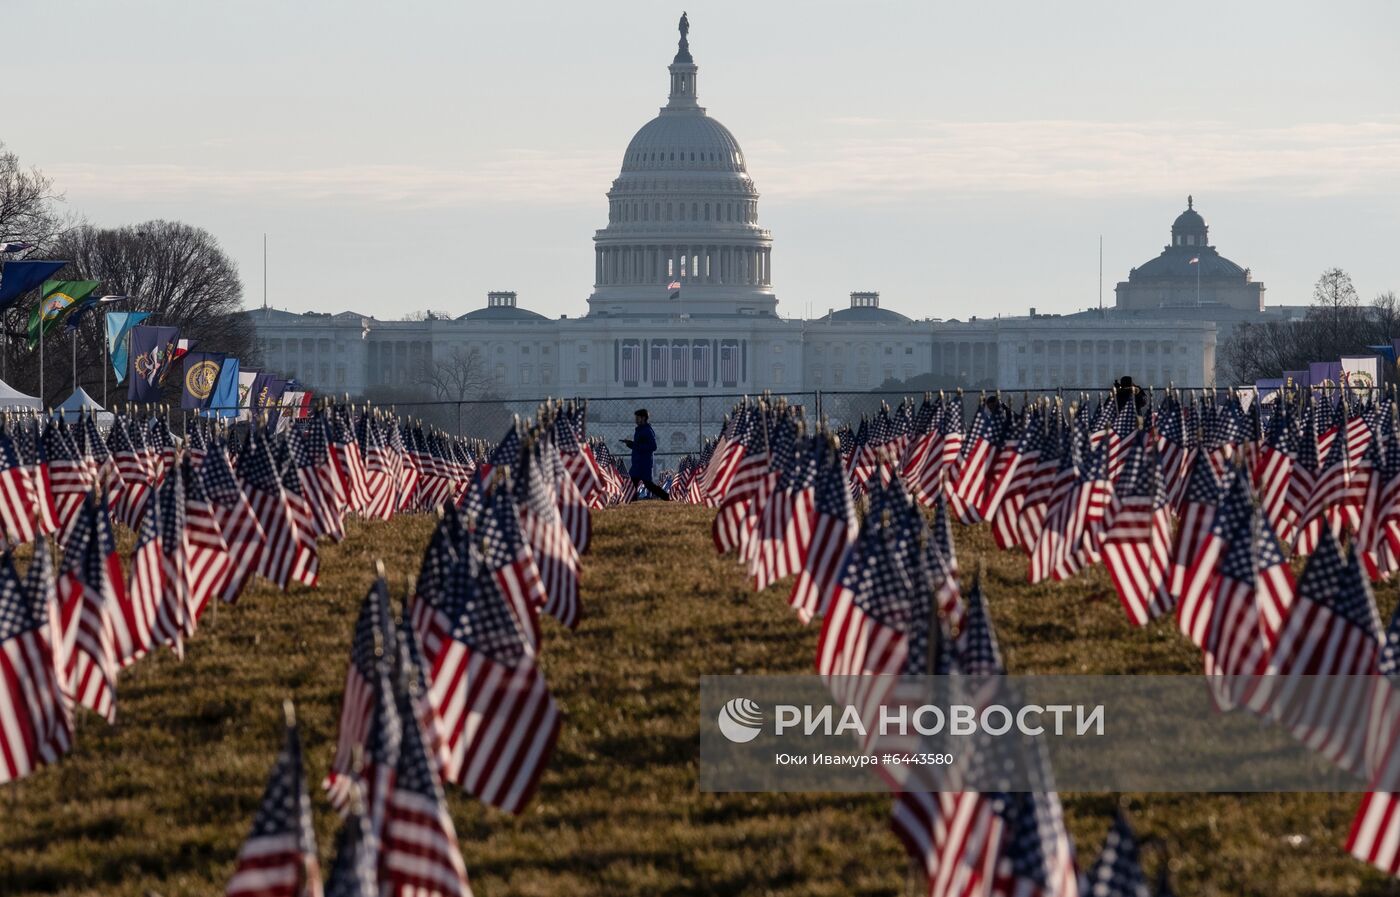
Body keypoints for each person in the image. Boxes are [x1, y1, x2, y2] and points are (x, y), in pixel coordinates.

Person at [622, 408, 670, 500]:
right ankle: (632, 500)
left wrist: (635, 445)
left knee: (648, 485)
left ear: (643, 418)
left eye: (637, 418)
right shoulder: (640, 430)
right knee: (633, 484)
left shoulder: (647, 431)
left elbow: (653, 446)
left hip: (644, 463)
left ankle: (667, 497)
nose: (635, 420)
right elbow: (639, 446)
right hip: (638, 462)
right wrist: (631, 444)